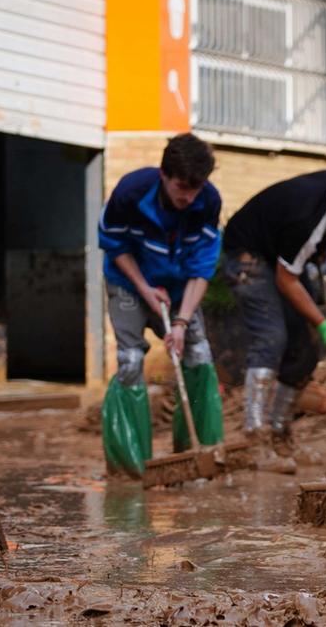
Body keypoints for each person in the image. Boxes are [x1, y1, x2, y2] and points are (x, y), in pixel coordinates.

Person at [98, 133, 224, 478]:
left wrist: (181, 323)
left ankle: (201, 452)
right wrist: (144, 288)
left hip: (180, 284)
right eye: (182, 187)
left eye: (196, 189)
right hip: (129, 280)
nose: (189, 196)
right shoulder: (131, 192)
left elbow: (202, 269)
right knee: (130, 360)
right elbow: (113, 244)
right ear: (164, 175)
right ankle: (132, 468)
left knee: (199, 354)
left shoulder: (207, 201)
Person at [223, 163, 326, 437]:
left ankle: (280, 431)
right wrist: (323, 324)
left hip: (280, 253)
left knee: (306, 346)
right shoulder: (307, 216)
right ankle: (255, 432)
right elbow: (286, 279)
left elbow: (307, 247)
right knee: (272, 337)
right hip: (248, 254)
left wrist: (315, 251)